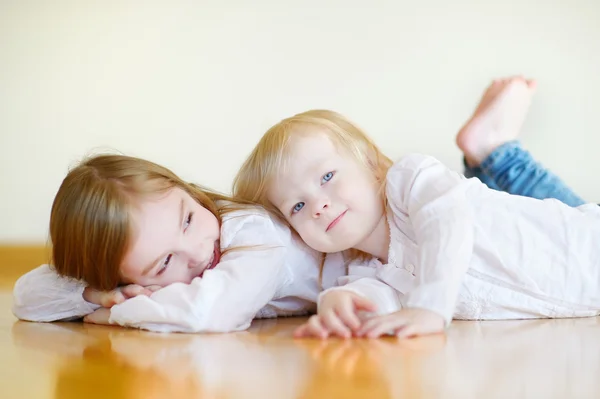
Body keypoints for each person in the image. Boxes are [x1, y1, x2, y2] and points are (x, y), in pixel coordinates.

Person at [234, 76, 600, 339]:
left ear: (371, 163)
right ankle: (490, 147)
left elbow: (447, 226)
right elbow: (377, 296)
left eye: (327, 176)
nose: (318, 204)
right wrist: (340, 304)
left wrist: (430, 306)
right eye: (297, 205)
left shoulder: (410, 181)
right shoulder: (367, 269)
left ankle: (495, 149)